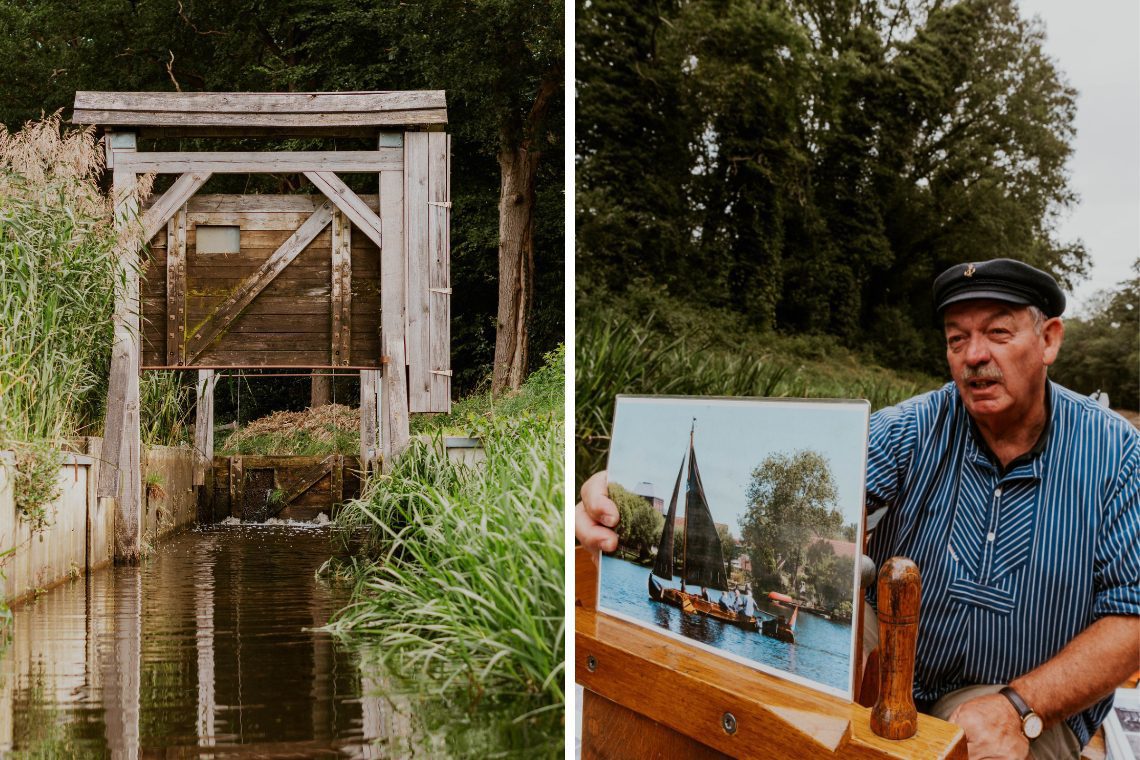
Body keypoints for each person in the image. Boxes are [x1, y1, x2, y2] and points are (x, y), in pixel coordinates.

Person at [577, 259, 1139, 760]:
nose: (974, 356)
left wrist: (1017, 707)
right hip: (889, 658)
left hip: (1026, 692)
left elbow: (1131, 617)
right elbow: (805, 500)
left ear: (1049, 340)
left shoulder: (1118, 455)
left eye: (998, 333)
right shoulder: (912, 427)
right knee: (746, 713)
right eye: (956, 339)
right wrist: (614, 489)